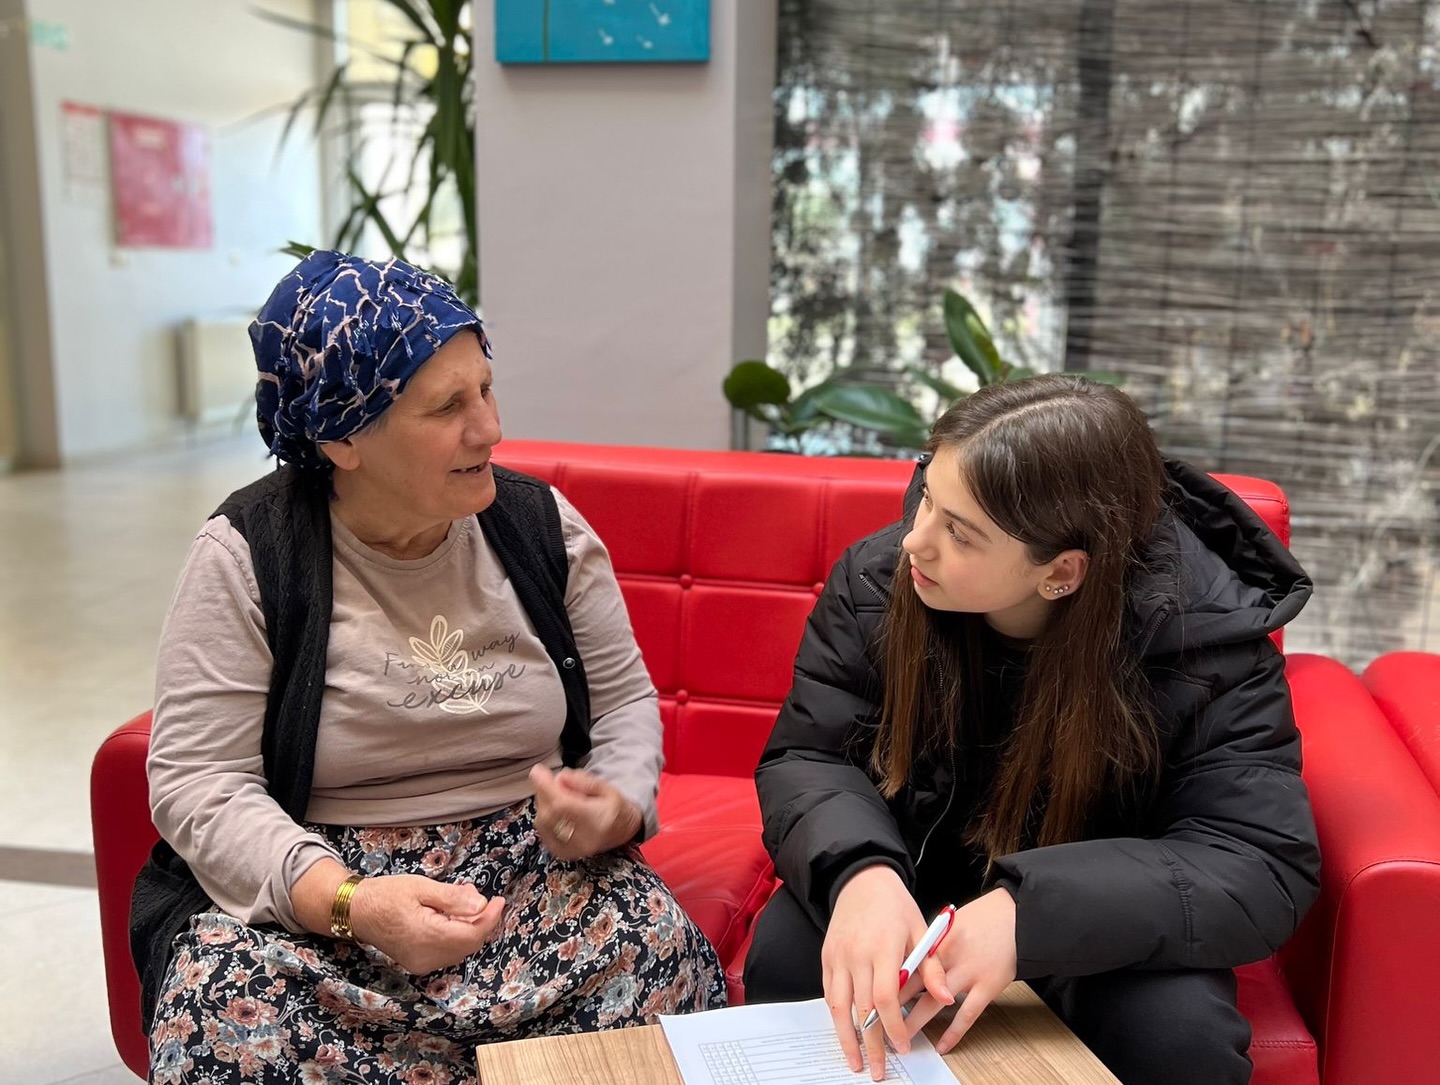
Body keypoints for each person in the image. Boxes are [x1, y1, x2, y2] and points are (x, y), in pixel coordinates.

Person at [133, 251, 725, 1085]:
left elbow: (625, 701)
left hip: (533, 880)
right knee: (221, 1012)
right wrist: (348, 900)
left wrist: (617, 801)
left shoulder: (541, 526)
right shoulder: (247, 555)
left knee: (657, 952)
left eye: (485, 389)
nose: (490, 428)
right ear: (342, 436)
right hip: (319, 898)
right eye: (448, 406)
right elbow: (199, 781)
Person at [744, 375, 1320, 1085]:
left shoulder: (1206, 642)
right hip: (916, 883)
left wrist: (1029, 917)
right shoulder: (877, 581)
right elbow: (811, 755)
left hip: (1101, 924)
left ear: (1061, 572)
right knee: (790, 957)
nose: (914, 540)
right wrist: (861, 873)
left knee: (1179, 1037)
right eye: (927, 496)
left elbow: (1256, 860)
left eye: (960, 533)